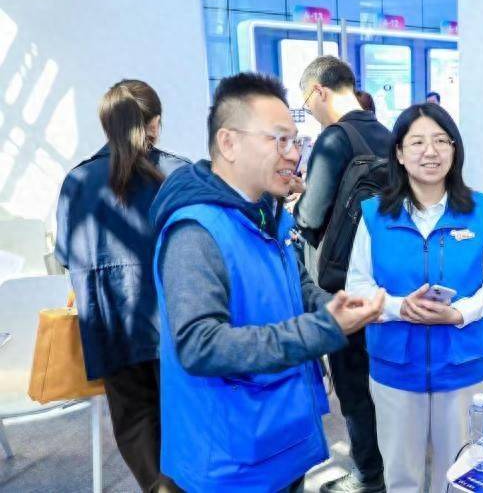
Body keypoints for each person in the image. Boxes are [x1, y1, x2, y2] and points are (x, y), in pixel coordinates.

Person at [149, 72, 385, 492]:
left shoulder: (267, 214)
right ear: (228, 143)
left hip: (279, 433)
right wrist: (322, 328)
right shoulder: (196, 232)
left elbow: (297, 286)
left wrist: (333, 305)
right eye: (279, 140)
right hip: (232, 457)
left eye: (295, 141)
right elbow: (200, 345)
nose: (293, 155)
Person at [347, 103, 483, 493]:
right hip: (395, 368)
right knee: (402, 476)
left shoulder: (482, 212)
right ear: (399, 153)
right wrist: (400, 307)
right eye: (417, 142)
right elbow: (357, 288)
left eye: (440, 141)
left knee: (459, 474)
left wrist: (459, 313)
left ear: (454, 149)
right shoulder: (374, 216)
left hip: (463, 366)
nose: (430, 152)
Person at [55, 79, 188, 492]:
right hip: (177, 320)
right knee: (185, 415)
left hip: (111, 325)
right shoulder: (179, 174)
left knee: (133, 419)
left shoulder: (77, 181)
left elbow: (66, 254)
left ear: (106, 125)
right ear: (155, 123)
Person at [295, 55, 393, 493]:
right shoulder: (388, 135)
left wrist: (298, 202)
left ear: (319, 91)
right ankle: (391, 464)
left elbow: (311, 216)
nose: (310, 111)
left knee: (352, 384)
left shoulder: (334, 138)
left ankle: (370, 476)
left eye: (306, 102)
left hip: (343, 282)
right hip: (386, 277)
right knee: (382, 380)